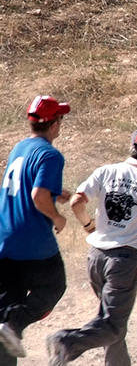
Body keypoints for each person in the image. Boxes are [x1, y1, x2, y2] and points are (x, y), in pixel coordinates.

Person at [46, 127, 137, 366]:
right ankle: (66, 342)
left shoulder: (107, 171)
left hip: (95, 257)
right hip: (124, 262)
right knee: (113, 326)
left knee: (110, 320)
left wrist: (88, 225)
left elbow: (76, 202)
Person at [0, 96, 71, 366]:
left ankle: (9, 327)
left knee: (4, 311)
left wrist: (55, 192)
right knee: (54, 286)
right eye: (60, 119)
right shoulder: (50, 154)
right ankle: (16, 323)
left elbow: (18, 185)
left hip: (4, 239)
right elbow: (38, 194)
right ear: (54, 125)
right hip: (32, 242)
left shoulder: (20, 148)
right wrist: (56, 216)